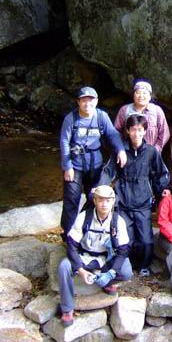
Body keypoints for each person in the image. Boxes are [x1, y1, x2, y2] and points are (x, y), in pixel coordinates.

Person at [101, 114, 170, 277]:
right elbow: (108, 171)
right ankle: (128, 265)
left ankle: (144, 265)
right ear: (127, 130)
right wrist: (100, 188)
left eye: (140, 130)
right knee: (127, 238)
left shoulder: (151, 152)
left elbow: (161, 174)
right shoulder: (120, 151)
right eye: (133, 130)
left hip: (143, 202)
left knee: (146, 240)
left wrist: (162, 190)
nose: (136, 133)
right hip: (123, 201)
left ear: (145, 131)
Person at [57, 185, 132, 326]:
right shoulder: (84, 217)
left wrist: (111, 273)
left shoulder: (118, 222)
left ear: (113, 201)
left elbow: (123, 251)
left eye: (108, 200)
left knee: (127, 271)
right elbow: (71, 246)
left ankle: (108, 283)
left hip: (105, 258)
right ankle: (67, 309)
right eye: (101, 200)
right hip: (85, 256)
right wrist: (80, 270)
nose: (104, 204)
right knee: (64, 267)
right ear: (95, 201)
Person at [59, 86, 126, 236]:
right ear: (78, 102)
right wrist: (67, 166)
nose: (87, 104)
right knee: (71, 199)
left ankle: (89, 229)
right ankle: (68, 233)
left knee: (94, 197)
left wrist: (121, 150)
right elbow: (64, 142)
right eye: (84, 100)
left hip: (95, 166)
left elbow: (112, 134)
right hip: (75, 165)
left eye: (91, 100)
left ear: (96, 101)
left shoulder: (101, 117)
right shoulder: (71, 119)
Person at [114, 79, 170, 152]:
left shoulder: (157, 111)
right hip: (128, 153)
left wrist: (155, 150)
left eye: (144, 93)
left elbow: (164, 133)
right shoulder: (125, 110)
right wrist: (122, 149)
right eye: (138, 92)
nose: (141, 96)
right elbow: (116, 132)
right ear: (133, 95)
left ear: (150, 96)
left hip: (151, 153)